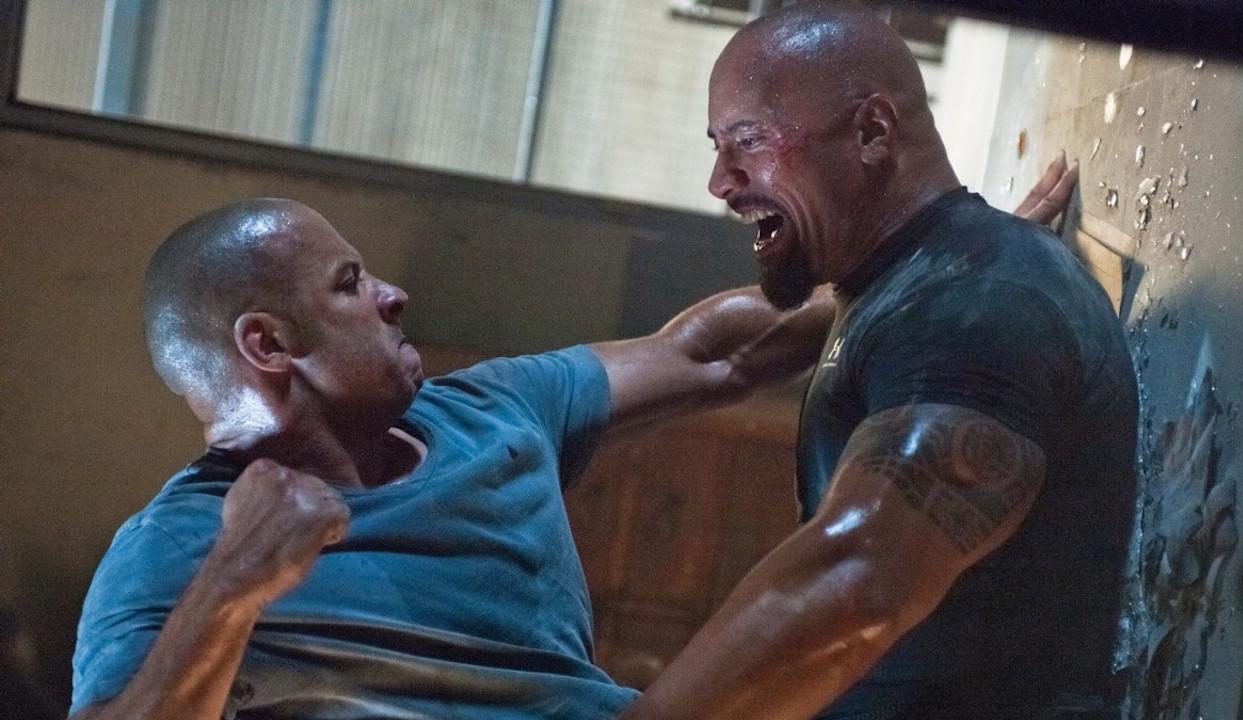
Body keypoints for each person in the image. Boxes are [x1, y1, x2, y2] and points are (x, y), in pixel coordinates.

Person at [70, 148, 1073, 720]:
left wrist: (939, 270)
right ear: (269, 344)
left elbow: (712, 353)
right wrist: (229, 589)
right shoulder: (175, 550)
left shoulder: (484, 410)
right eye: (349, 284)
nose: (392, 294)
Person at [620, 4, 1135, 720]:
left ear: (871, 133)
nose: (720, 181)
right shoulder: (912, 288)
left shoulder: (974, 306)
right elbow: (714, 350)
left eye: (748, 140)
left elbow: (861, 576)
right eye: (719, 146)